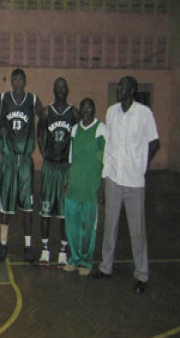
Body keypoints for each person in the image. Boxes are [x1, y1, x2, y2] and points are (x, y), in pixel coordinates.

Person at [91, 76, 160, 294]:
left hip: (134, 182)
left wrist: (143, 164)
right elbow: (109, 148)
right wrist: (103, 179)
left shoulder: (144, 114)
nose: (119, 89)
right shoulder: (111, 112)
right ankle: (106, 267)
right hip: (113, 178)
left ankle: (141, 274)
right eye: (118, 86)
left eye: (123, 87)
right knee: (109, 226)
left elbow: (155, 142)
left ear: (132, 90)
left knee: (136, 231)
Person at [0, 68, 43, 263]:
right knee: (5, 206)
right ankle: (3, 245)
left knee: (27, 207)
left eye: (21, 79)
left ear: (25, 81)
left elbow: (44, 115)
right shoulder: (4, 98)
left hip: (24, 160)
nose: (18, 83)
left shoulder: (32, 99)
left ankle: (28, 246)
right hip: (8, 159)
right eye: (15, 80)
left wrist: (42, 136)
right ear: (11, 82)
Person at [36, 77, 78, 268]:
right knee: (45, 210)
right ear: (53, 90)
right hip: (50, 166)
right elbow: (39, 130)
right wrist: (43, 151)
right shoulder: (47, 111)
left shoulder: (73, 113)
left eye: (63, 87)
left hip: (65, 167)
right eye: (58, 87)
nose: (61, 90)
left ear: (67, 89)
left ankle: (62, 250)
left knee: (63, 212)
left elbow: (79, 136)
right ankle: (45, 249)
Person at [62, 98, 106, 276]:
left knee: (88, 227)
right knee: (72, 225)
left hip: (91, 187)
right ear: (80, 111)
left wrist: (102, 186)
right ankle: (74, 259)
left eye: (90, 108)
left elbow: (106, 159)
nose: (87, 111)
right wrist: (67, 180)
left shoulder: (101, 129)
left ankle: (86, 262)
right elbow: (71, 158)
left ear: (94, 110)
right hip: (75, 185)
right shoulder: (74, 129)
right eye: (84, 108)